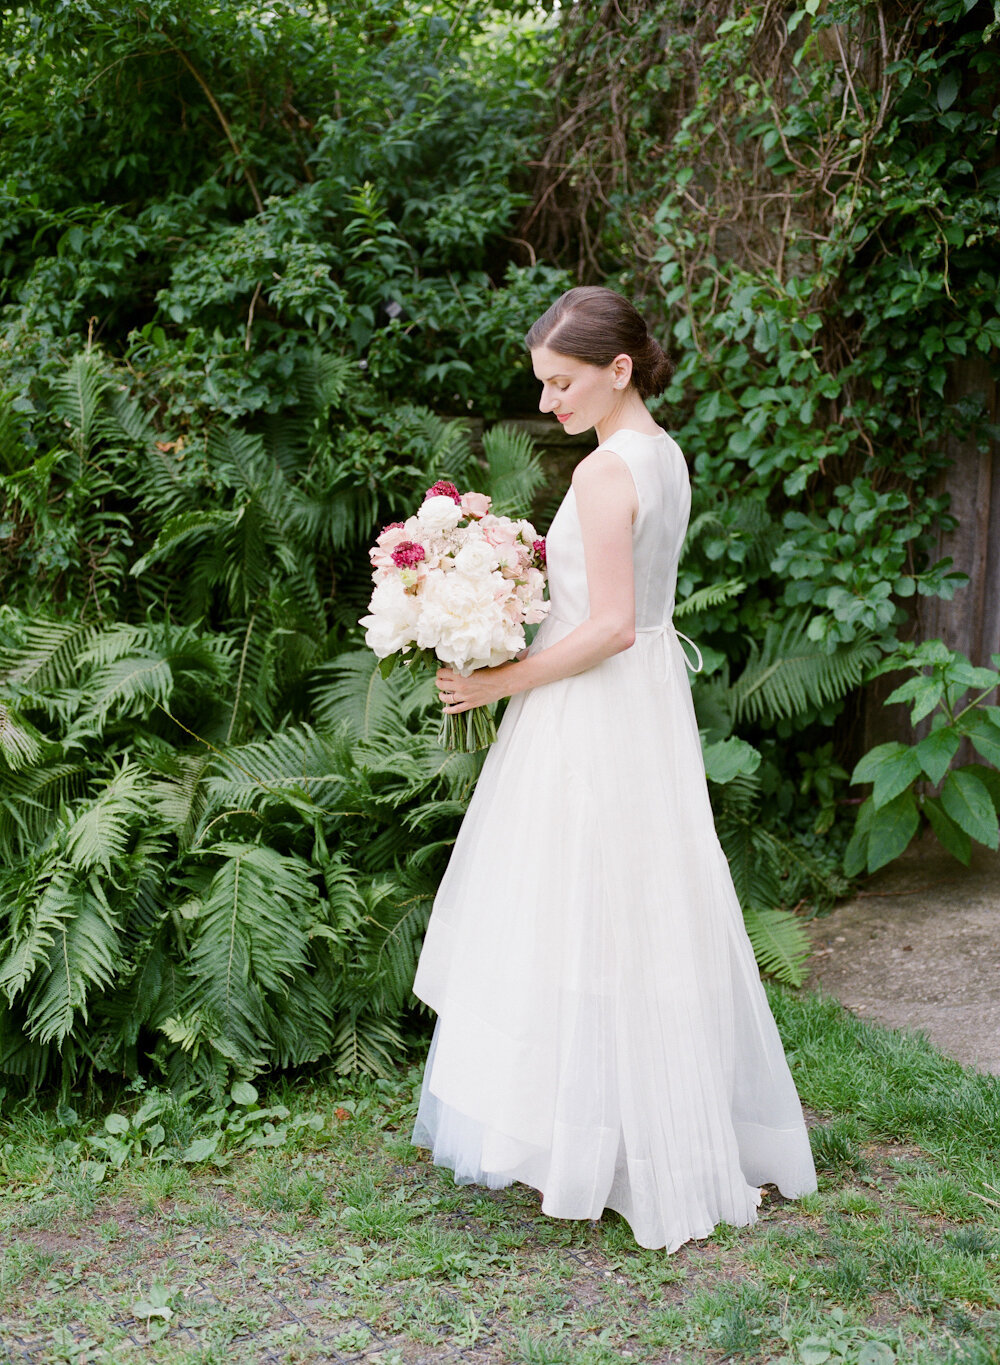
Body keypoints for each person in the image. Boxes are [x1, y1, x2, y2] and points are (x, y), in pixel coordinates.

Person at [409, 286, 817, 1252]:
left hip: (594, 704)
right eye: (543, 384)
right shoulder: (660, 454)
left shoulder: (603, 474)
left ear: (618, 369)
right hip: (643, 706)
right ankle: (625, 1120)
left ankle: (593, 1136)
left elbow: (610, 624)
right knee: (639, 903)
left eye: (562, 382)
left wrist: (499, 678)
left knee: (572, 900)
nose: (548, 403)